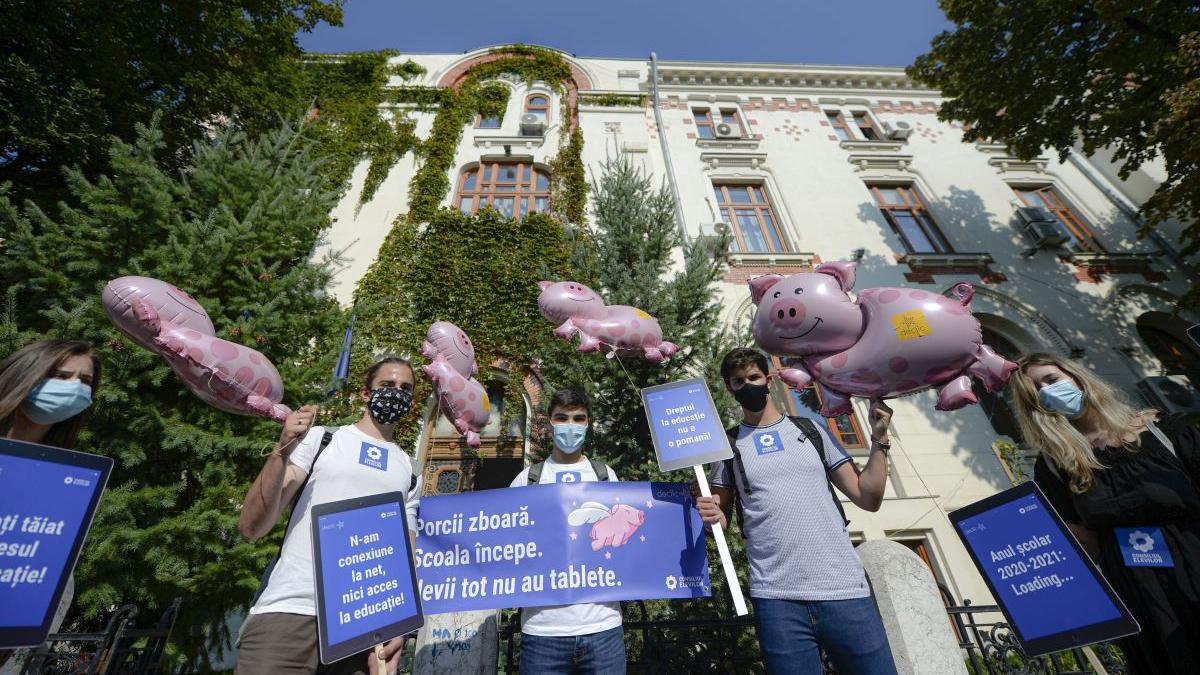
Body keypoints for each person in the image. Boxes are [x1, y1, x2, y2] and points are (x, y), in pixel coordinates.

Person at [695, 347, 897, 675]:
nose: (748, 385)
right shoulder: (727, 447)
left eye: (754, 377)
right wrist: (711, 517)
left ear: (769, 379)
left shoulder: (811, 430)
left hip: (844, 591)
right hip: (777, 600)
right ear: (729, 388)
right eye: (738, 381)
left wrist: (879, 440)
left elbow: (867, 497)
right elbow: (720, 518)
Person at [1010, 352, 1200, 674]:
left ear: (1076, 376)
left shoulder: (1165, 431)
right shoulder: (1056, 467)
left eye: (1052, 380)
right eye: (1037, 392)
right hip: (1140, 593)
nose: (1048, 391)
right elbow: (1086, 544)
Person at [235, 356, 421, 675]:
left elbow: (406, 552)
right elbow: (252, 527)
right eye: (387, 386)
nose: (397, 394)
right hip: (292, 609)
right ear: (366, 393)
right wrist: (282, 449)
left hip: (362, 626)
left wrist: (397, 627)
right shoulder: (323, 440)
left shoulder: (409, 469)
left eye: (406, 389)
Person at [507, 388, 625, 675]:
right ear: (549, 421)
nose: (570, 426)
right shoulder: (527, 479)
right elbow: (508, 543)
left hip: (603, 626)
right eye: (562, 418)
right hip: (542, 630)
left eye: (578, 418)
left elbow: (621, 541)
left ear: (588, 423)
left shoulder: (605, 476)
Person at [0, 339, 101, 672]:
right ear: (28, 375)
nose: (74, 388)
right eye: (61, 375)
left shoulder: (69, 478)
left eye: (85, 381)